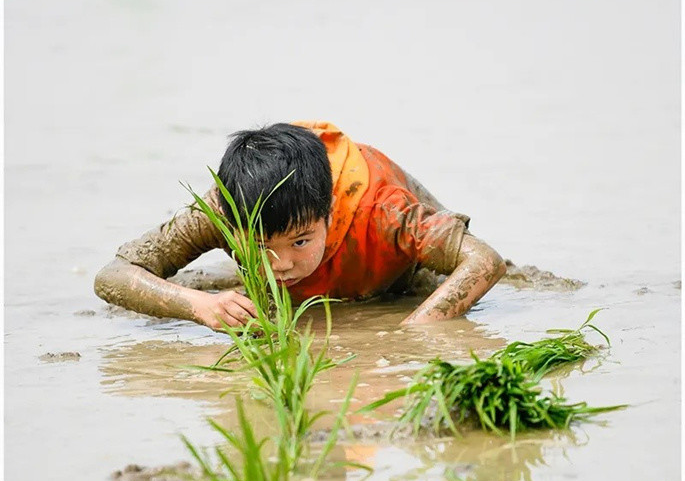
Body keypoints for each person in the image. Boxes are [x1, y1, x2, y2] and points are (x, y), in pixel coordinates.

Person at [94, 121, 505, 328]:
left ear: (329, 213)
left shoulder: (383, 210)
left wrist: (415, 331)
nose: (279, 264)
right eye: (259, 246)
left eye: (300, 242)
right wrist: (199, 306)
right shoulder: (224, 207)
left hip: (389, 277)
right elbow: (114, 276)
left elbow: (484, 261)